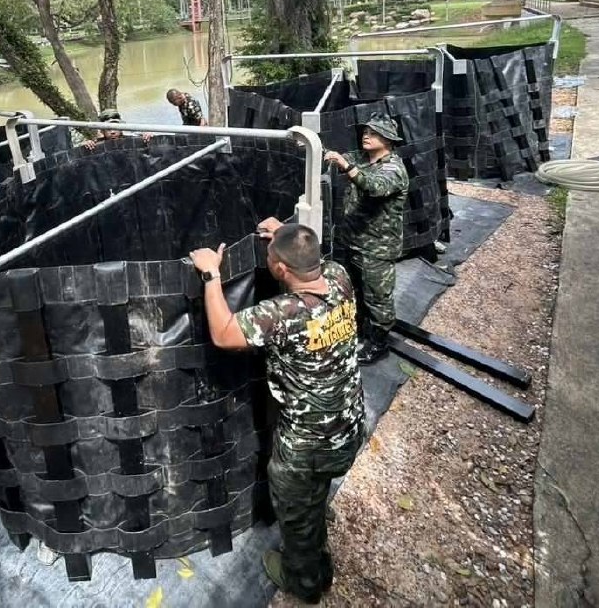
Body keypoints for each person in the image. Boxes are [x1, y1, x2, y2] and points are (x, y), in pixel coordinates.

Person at [190, 220, 366, 605]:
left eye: (272, 258)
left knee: (297, 508)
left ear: (281, 270)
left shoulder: (284, 314)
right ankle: (312, 521)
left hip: (307, 445)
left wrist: (210, 274)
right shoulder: (340, 278)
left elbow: (223, 333)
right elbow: (309, 253)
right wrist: (288, 233)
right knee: (314, 493)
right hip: (349, 425)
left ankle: (304, 579)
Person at [323, 114, 409, 364]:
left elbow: (373, 186)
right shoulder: (362, 158)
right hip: (353, 241)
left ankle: (378, 344)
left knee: (377, 298)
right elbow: (335, 156)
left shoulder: (393, 168)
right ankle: (358, 332)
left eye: (375, 132)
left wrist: (346, 166)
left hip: (377, 248)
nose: (366, 135)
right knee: (355, 292)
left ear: (389, 140)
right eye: (366, 131)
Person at [80, 108, 152, 149]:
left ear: (121, 128)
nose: (112, 132)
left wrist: (147, 136)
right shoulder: (96, 145)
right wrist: (85, 144)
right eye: (108, 129)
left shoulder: (132, 140)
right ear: (102, 131)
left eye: (116, 128)